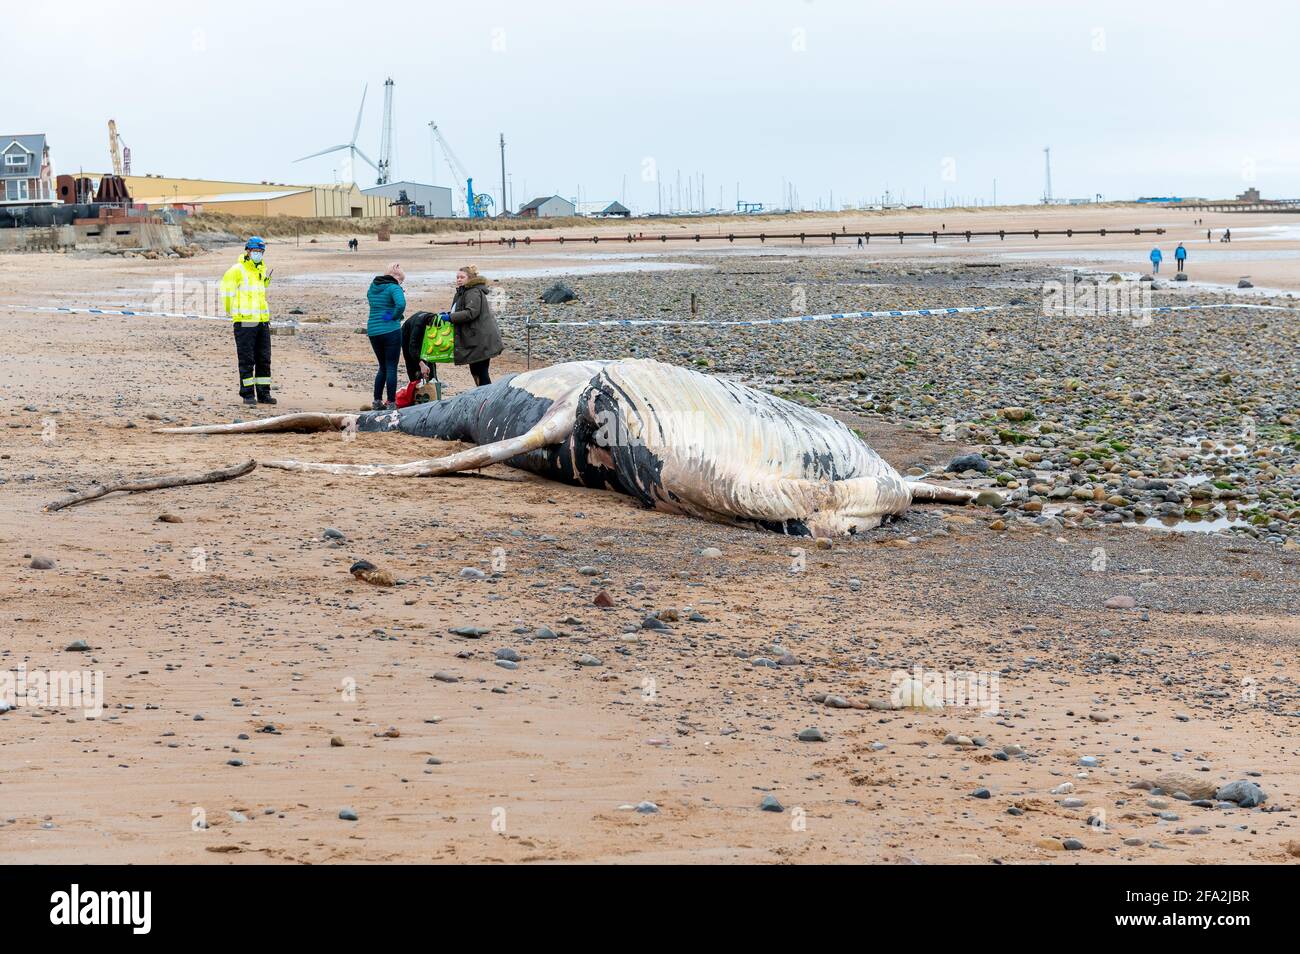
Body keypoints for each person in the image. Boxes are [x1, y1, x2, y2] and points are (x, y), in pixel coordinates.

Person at [221, 235, 275, 406]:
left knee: (264, 359)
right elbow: (227, 293)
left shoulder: (261, 270)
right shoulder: (237, 270)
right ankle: (247, 394)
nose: (258, 254)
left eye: (261, 251)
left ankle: (264, 394)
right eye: (255, 251)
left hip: (261, 321)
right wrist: (232, 313)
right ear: (248, 251)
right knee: (247, 360)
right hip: (244, 322)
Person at [448, 265, 503, 386]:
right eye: (457, 277)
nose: (459, 279)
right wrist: (448, 314)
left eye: (462, 277)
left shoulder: (473, 292)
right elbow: (458, 310)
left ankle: (487, 400)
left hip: (481, 339)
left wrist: (450, 317)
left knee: (481, 372)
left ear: (470, 278)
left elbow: (471, 313)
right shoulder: (462, 292)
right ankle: (483, 398)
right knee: (476, 371)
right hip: (474, 338)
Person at [366, 263, 407, 410]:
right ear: (395, 276)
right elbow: (401, 305)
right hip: (390, 331)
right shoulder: (394, 287)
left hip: (373, 331)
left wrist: (388, 314)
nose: (400, 282)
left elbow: (378, 307)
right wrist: (394, 317)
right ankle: (391, 402)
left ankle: (377, 401)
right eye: (401, 279)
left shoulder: (373, 286)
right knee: (391, 367)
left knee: (382, 366)